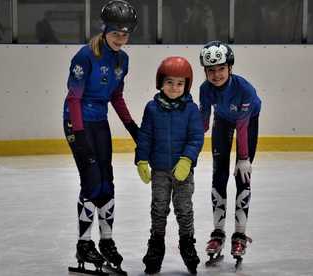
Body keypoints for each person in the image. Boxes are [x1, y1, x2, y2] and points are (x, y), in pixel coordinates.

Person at [63, 0, 139, 273]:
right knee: (92, 182)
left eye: (126, 33)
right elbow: (74, 99)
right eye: (116, 32)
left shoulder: (123, 60)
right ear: (104, 30)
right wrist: (79, 135)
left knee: (107, 183)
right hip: (78, 122)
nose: (121, 38)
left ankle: (106, 241)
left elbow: (116, 97)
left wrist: (132, 128)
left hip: (99, 122)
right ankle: (84, 243)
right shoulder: (85, 56)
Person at [135, 57, 204, 274]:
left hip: (183, 171)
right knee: (159, 208)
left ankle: (187, 243)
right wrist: (141, 159)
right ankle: (156, 245)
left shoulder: (192, 110)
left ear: (187, 85)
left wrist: (187, 159)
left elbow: (196, 137)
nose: (175, 88)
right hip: (160, 171)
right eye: (170, 82)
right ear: (160, 82)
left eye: (180, 83)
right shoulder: (152, 108)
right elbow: (145, 135)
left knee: (184, 208)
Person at [198, 41, 261, 265]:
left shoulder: (244, 89)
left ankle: (240, 234)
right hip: (223, 121)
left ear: (230, 68)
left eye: (221, 69)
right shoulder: (205, 89)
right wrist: (189, 145)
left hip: (248, 121)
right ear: (205, 71)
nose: (216, 75)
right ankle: (218, 233)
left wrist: (243, 158)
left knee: (242, 177)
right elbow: (203, 123)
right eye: (211, 70)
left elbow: (243, 126)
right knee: (219, 176)